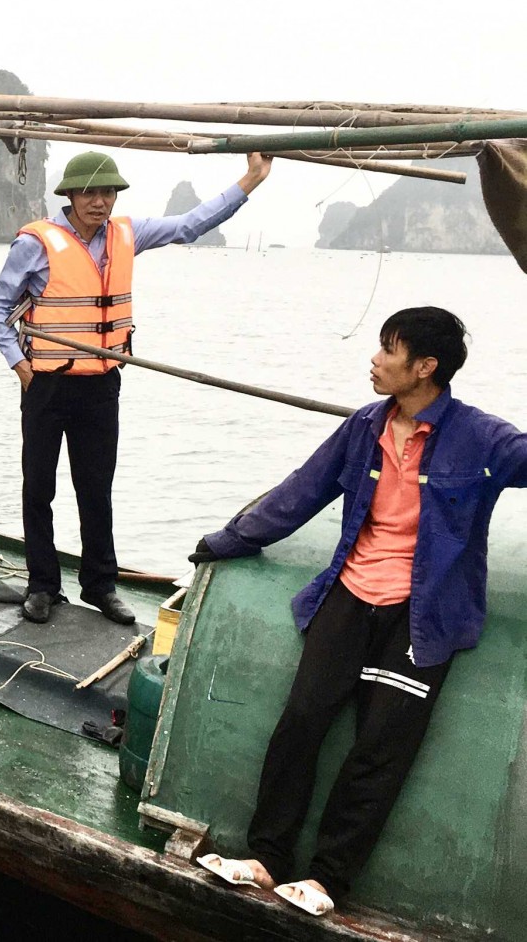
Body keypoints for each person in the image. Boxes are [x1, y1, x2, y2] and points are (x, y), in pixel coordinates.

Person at [191, 307, 527, 917]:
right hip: (349, 593)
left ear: (425, 367)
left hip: (422, 615)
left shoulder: (482, 439)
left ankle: (324, 882)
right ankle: (266, 859)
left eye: (388, 351)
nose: (374, 360)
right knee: (301, 722)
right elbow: (302, 490)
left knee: (380, 747)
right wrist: (230, 540)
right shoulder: (365, 427)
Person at [0, 150, 271, 625]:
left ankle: (100, 586)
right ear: (71, 196)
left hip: (101, 385)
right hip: (47, 385)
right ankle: (42, 585)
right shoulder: (35, 243)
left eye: (108, 193)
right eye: (90, 193)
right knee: (39, 488)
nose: (100, 202)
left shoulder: (126, 234)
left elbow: (190, 225)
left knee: (96, 490)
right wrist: (18, 364)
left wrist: (250, 180)